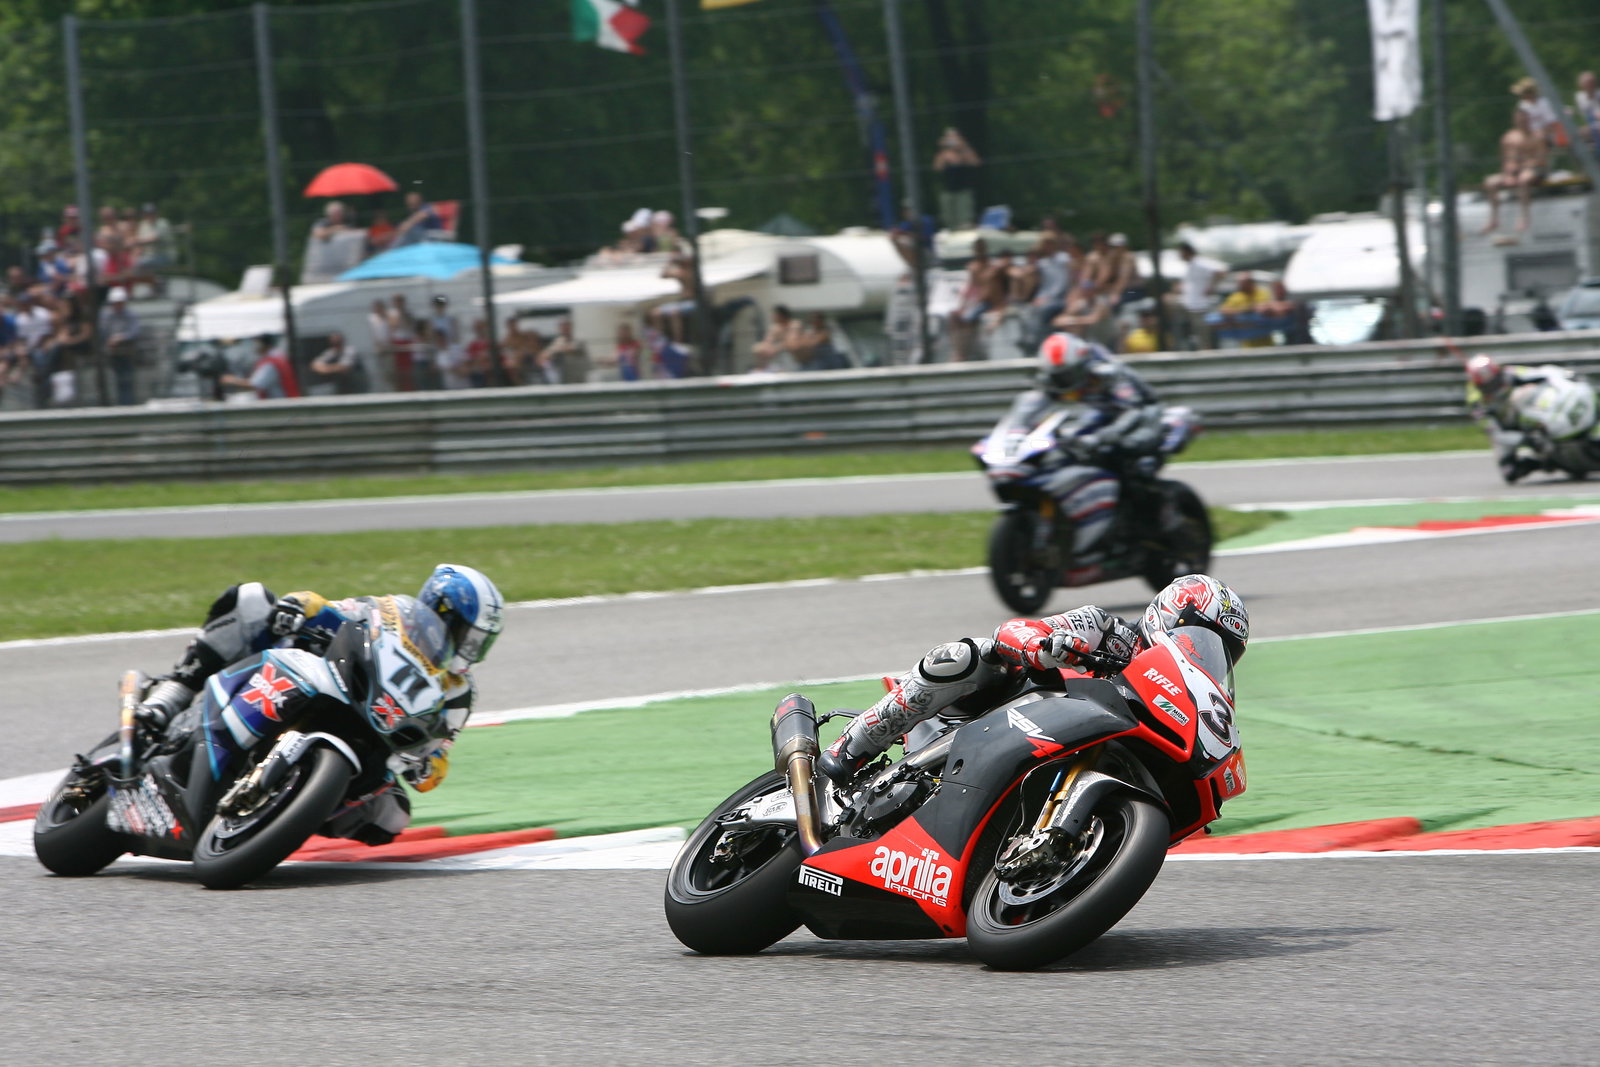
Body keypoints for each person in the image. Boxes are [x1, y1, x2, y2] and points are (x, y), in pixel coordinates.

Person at [133, 564, 504, 846]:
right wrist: (298, 608)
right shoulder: (391, 614)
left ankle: (286, 812)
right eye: (467, 636)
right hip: (322, 681)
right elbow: (329, 608)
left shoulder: (459, 691)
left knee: (391, 818)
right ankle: (176, 690)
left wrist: (429, 766)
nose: (470, 650)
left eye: (479, 643)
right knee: (251, 600)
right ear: (441, 610)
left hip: (372, 736)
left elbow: (442, 747)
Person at [818, 574, 1248, 784]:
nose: (1201, 651)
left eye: (1219, 653)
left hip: (1061, 752)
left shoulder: (1174, 692)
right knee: (970, 655)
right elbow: (1014, 629)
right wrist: (1042, 645)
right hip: (1002, 710)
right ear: (1169, 615)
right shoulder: (1106, 629)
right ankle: (853, 745)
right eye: (1197, 635)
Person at [1023, 330, 1164, 561]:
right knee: (1073, 451)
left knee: (1130, 454)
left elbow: (1133, 410)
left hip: (1141, 414)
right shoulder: (1057, 377)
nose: (1061, 383)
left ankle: (1152, 522)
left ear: (1079, 366)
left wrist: (1104, 437)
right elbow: (1037, 404)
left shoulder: (1107, 372)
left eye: (1066, 376)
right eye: (1057, 377)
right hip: (1100, 415)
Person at [1465, 352, 1574, 482]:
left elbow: (1542, 373)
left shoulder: (1510, 372)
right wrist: (1525, 439)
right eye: (1489, 385)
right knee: (1510, 472)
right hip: (1506, 428)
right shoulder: (1476, 403)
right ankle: (1543, 462)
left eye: (1496, 380)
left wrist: (1565, 376)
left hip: (1528, 410)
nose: (1495, 387)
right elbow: (1495, 434)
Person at [1482, 108, 1547, 235]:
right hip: (1514, 172)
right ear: (1515, 120)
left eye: (1524, 119)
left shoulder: (1538, 137)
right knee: (1490, 182)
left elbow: (1540, 160)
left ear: (1529, 120)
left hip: (1534, 170)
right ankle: (1494, 219)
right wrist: (1508, 175)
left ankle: (1524, 217)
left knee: (1523, 179)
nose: (1522, 121)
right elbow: (1506, 160)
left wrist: (1520, 167)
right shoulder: (1508, 138)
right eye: (1519, 119)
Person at [221, 334, 300, 400]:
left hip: (280, 406)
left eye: (256, 342)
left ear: (263, 343)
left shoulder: (270, 363)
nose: (254, 345)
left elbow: (255, 384)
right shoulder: (278, 356)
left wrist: (231, 380)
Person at [99, 285, 142, 405]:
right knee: (117, 379)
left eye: (120, 302)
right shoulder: (106, 316)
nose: (117, 305)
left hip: (128, 351)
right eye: (115, 302)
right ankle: (118, 403)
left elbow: (135, 332)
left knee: (127, 378)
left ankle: (128, 403)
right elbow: (103, 332)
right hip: (112, 351)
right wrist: (111, 340)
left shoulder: (131, 315)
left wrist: (121, 337)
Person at [932, 127, 981, 230]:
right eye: (949, 137)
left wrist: (963, 146)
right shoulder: (944, 154)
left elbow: (976, 162)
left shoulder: (965, 151)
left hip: (963, 191)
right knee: (948, 219)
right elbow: (937, 168)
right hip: (948, 191)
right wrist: (943, 149)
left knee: (964, 221)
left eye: (954, 137)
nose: (952, 140)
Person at [308, 330, 365, 395]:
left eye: (337, 342)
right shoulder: (331, 352)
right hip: (342, 384)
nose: (335, 343)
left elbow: (344, 368)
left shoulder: (350, 351)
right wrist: (332, 368)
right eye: (333, 342)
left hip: (357, 384)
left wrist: (325, 369)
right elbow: (314, 365)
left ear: (342, 341)